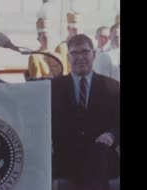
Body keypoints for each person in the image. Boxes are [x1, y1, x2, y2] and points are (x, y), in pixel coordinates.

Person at [51, 34, 120, 190]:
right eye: (75, 53)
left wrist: (111, 135)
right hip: (66, 159)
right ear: (68, 57)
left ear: (94, 54)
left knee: (97, 159)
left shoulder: (113, 88)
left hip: (103, 157)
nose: (80, 57)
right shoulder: (53, 88)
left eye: (85, 52)